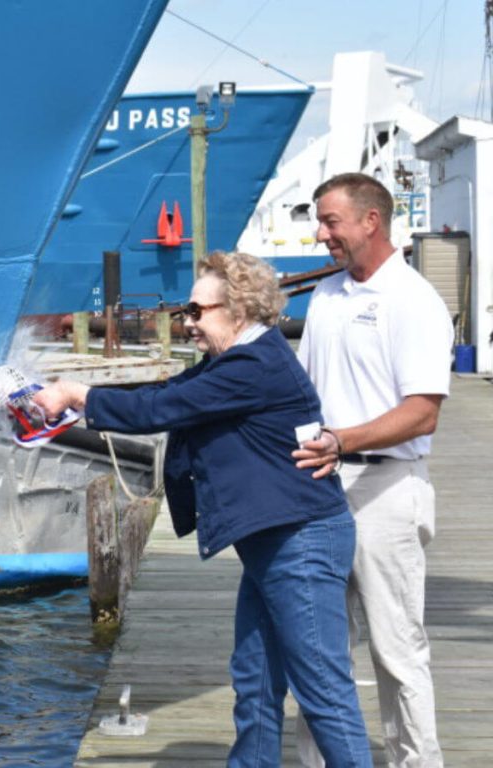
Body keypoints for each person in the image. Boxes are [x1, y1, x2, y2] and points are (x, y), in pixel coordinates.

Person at [34, 250, 372, 767]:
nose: (187, 322)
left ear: (238, 311)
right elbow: (164, 391)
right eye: (185, 311)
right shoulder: (231, 362)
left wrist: (77, 393)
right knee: (255, 680)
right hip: (271, 541)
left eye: (197, 311)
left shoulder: (254, 366)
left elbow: (160, 409)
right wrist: (72, 397)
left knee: (323, 689)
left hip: (300, 542)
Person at [293, 172, 453, 768]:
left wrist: (341, 440)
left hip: (385, 488)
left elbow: (422, 413)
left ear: (371, 221)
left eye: (330, 221)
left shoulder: (413, 299)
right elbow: (302, 392)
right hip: (320, 486)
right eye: (320, 222)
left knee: (396, 649)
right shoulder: (325, 295)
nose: (321, 234)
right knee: (317, 647)